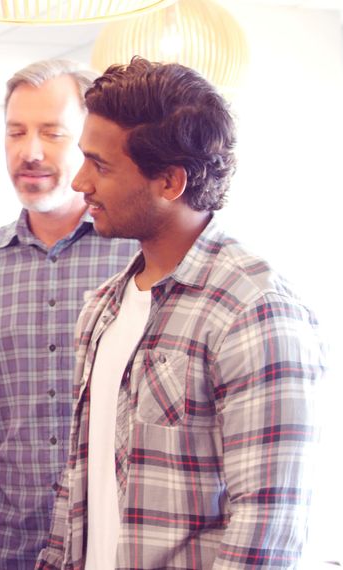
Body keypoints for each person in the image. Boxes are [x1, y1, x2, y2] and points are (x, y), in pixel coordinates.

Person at [36, 57, 326, 569]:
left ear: (170, 181)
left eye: (100, 165)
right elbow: (78, 492)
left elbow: (266, 533)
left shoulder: (254, 312)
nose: (80, 182)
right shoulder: (102, 308)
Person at [0, 59, 139, 570]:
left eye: (52, 132)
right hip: (10, 552)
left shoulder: (137, 254)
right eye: (16, 132)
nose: (31, 151)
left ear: (89, 142)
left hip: (120, 551)